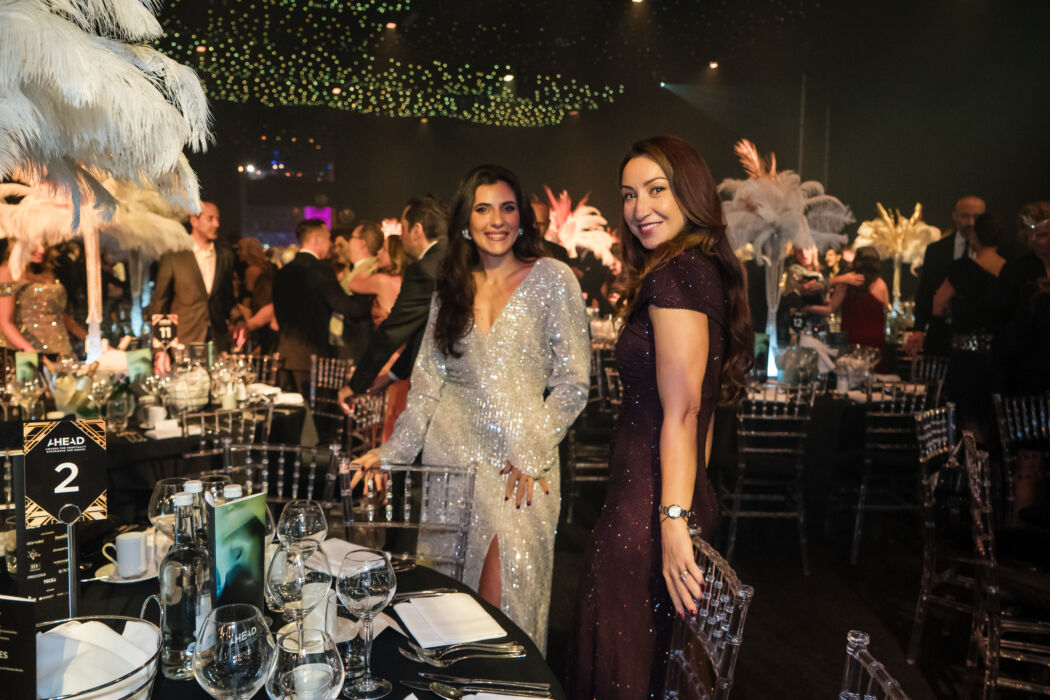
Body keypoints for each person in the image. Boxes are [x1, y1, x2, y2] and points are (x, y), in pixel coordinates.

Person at [349, 165, 590, 651]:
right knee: (452, 614)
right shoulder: (451, 286)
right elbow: (426, 386)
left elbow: (573, 383)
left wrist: (531, 451)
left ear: (522, 217)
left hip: (521, 469)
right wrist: (391, 452)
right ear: (465, 221)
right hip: (452, 467)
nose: (496, 219)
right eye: (483, 208)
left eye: (507, 207)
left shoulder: (553, 279)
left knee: (506, 613)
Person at [569, 136, 752, 699]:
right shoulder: (698, 269)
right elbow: (702, 415)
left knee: (626, 666)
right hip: (665, 498)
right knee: (654, 670)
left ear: (690, 193)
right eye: (628, 194)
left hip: (648, 511)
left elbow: (688, 409)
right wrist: (689, 506)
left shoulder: (676, 274)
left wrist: (672, 521)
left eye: (656, 190)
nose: (638, 208)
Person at [337, 195, 448, 401]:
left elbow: (392, 332)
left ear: (417, 231)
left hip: (440, 385)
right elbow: (423, 331)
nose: (401, 235)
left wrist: (355, 385)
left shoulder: (425, 270)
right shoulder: (457, 258)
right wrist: (392, 375)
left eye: (403, 228)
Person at [272, 219, 370, 391]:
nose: (330, 244)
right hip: (311, 356)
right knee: (312, 407)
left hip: (284, 354)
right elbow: (344, 305)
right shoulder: (319, 269)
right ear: (317, 240)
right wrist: (368, 297)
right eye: (328, 238)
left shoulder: (283, 272)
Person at [933, 213, 1006, 440]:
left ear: (974, 236)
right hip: (998, 356)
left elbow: (938, 304)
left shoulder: (963, 268)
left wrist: (953, 313)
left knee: (967, 419)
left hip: (966, 358)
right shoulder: (1009, 270)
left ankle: (970, 459)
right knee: (991, 417)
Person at [150, 201, 236, 351]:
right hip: (185, 341)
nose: (216, 224)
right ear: (194, 221)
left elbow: (228, 299)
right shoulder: (175, 255)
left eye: (218, 219)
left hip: (218, 342)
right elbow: (160, 302)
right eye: (210, 218)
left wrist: (239, 320)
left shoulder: (225, 257)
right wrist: (160, 349)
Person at [907, 195, 986, 356]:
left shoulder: (996, 251)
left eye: (977, 217)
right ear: (955, 216)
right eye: (965, 216)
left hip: (979, 337)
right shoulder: (936, 250)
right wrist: (918, 329)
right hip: (940, 334)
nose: (971, 223)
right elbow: (925, 290)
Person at [997, 202, 1050, 394]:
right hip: (1030, 367)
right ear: (1028, 238)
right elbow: (1006, 321)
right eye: (1043, 235)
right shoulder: (1016, 271)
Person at [0, 243, 86, 355]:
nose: (42, 250)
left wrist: (88, 338)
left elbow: (58, 314)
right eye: (34, 244)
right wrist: (31, 352)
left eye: (45, 244)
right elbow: (4, 322)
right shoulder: (6, 272)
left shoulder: (45, 270)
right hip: (28, 351)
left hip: (60, 348)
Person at [825, 246, 890, 371]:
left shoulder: (846, 283)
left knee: (851, 376)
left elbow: (829, 309)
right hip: (876, 344)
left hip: (852, 342)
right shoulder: (882, 285)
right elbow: (886, 310)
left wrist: (806, 307)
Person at [347, 233, 409, 326]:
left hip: (385, 330)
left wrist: (375, 266)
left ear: (393, 255)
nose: (379, 252)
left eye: (384, 249)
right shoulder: (406, 279)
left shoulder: (381, 281)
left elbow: (353, 283)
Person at [234, 236, 277, 353]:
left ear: (248, 250)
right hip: (267, 313)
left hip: (256, 312)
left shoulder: (251, 270)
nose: (238, 253)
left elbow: (249, 297)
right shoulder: (268, 267)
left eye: (240, 249)